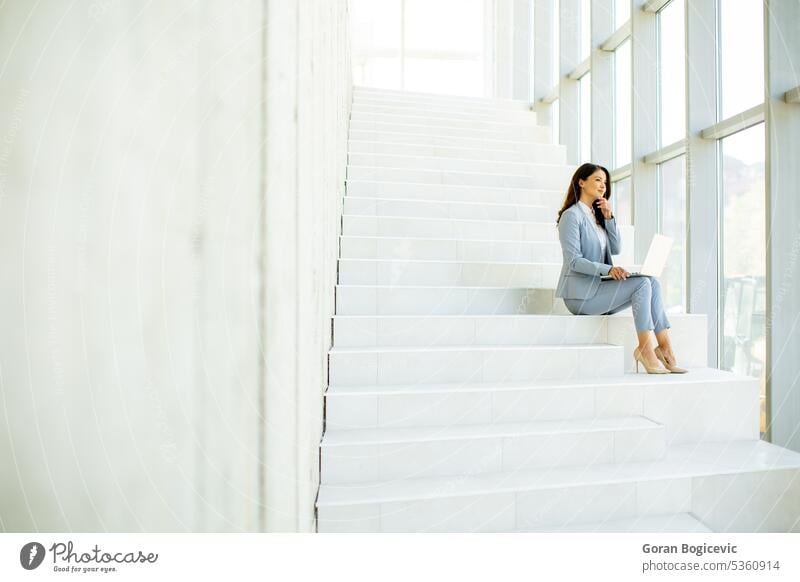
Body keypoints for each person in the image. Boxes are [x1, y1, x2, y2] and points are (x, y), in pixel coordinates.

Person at [554, 163, 687, 374]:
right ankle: (645, 350)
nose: (603, 186)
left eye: (605, 182)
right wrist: (608, 271)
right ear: (581, 182)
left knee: (651, 281)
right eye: (598, 180)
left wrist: (608, 218)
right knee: (642, 283)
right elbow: (573, 261)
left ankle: (664, 347)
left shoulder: (596, 216)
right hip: (580, 296)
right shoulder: (572, 216)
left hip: (599, 290)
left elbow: (616, 248)